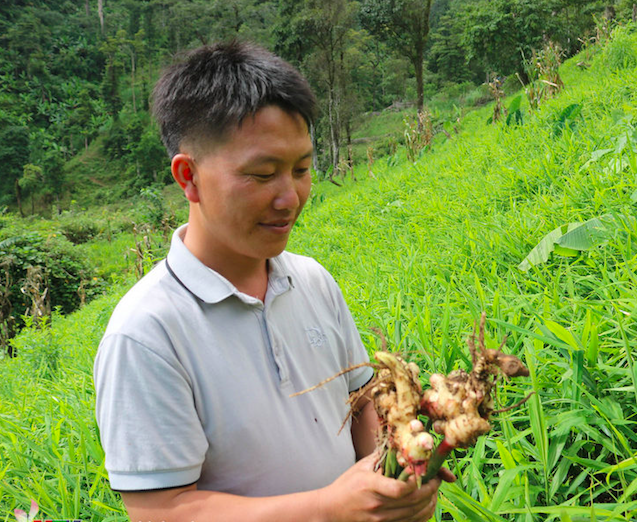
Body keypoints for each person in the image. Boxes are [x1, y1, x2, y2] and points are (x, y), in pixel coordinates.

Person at [93, 40, 449, 522]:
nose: (290, 198)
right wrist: (329, 508)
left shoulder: (313, 281)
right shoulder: (147, 334)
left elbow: (361, 402)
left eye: (301, 169)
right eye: (262, 175)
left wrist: (393, 478)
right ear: (188, 177)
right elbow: (161, 511)